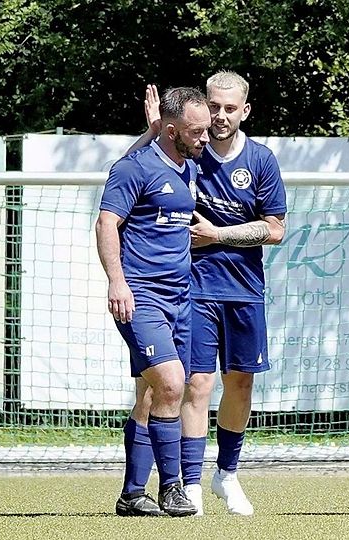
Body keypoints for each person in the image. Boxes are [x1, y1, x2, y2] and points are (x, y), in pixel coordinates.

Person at [132, 73, 287, 516]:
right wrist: (152, 130)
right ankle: (191, 484)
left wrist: (218, 234)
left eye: (229, 108)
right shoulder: (188, 151)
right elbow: (131, 167)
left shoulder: (260, 160)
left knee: (240, 382)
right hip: (192, 288)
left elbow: (275, 229)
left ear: (245, 111)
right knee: (196, 384)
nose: (220, 116)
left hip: (244, 288)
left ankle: (228, 475)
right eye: (214, 107)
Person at [97, 86, 210, 518]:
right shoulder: (136, 168)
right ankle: (173, 489)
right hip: (141, 296)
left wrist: (150, 133)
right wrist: (117, 282)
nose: (204, 137)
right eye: (195, 131)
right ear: (170, 128)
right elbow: (107, 223)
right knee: (171, 384)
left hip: (180, 297)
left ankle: (131, 494)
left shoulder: (187, 166)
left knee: (149, 394)